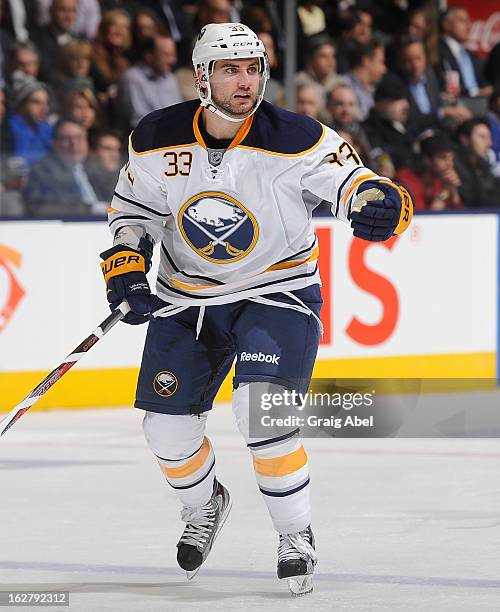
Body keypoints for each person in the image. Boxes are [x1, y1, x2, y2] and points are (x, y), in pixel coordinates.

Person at [99, 22, 413, 596]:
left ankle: (295, 533)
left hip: (278, 292)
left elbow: (355, 181)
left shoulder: (295, 137)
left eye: (254, 68)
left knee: (263, 417)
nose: (246, 81)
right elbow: (134, 210)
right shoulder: (153, 136)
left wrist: (380, 200)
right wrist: (125, 264)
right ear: (201, 76)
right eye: (230, 70)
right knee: (166, 431)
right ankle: (205, 504)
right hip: (187, 297)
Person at [25, 117, 102, 216]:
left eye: (79, 137)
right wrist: (92, 209)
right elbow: (47, 207)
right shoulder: (42, 171)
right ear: (55, 143)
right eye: (66, 138)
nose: (74, 143)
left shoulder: (94, 168)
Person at [118, 35, 183, 129]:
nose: (173, 61)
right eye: (166, 55)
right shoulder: (132, 79)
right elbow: (138, 122)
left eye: (173, 55)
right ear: (149, 56)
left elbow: (179, 114)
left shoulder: (170, 78)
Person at [397, 132, 463, 210]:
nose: (450, 164)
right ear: (427, 160)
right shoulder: (406, 178)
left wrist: (454, 191)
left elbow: (460, 215)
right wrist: (444, 192)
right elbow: (422, 215)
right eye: (443, 158)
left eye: (451, 158)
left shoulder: (442, 179)